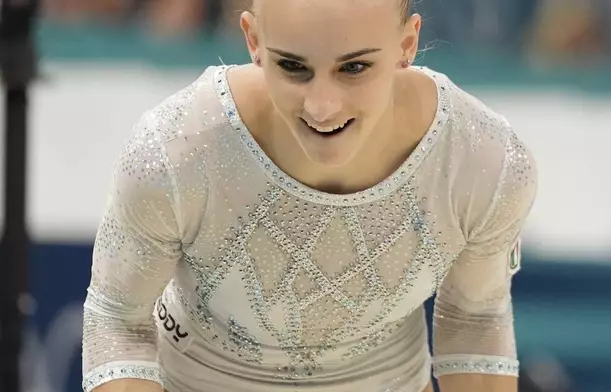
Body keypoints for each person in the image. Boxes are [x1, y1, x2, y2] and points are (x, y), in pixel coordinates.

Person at [81, 0, 538, 391]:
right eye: (293, 67)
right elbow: (118, 317)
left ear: (407, 44)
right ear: (253, 40)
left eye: (354, 67)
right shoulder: (178, 149)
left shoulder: (482, 160)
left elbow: (475, 321)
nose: (322, 107)